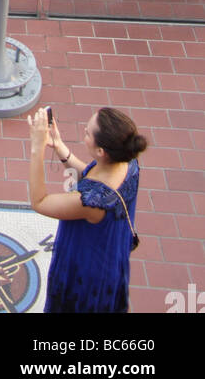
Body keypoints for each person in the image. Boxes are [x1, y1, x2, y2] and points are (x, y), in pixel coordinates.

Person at [27, 105, 147, 313]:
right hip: (110, 259)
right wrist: (58, 146)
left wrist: (37, 148)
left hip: (85, 277)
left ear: (101, 151)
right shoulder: (128, 163)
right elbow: (92, 177)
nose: (84, 131)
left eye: (87, 133)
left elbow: (40, 202)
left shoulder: (91, 202)